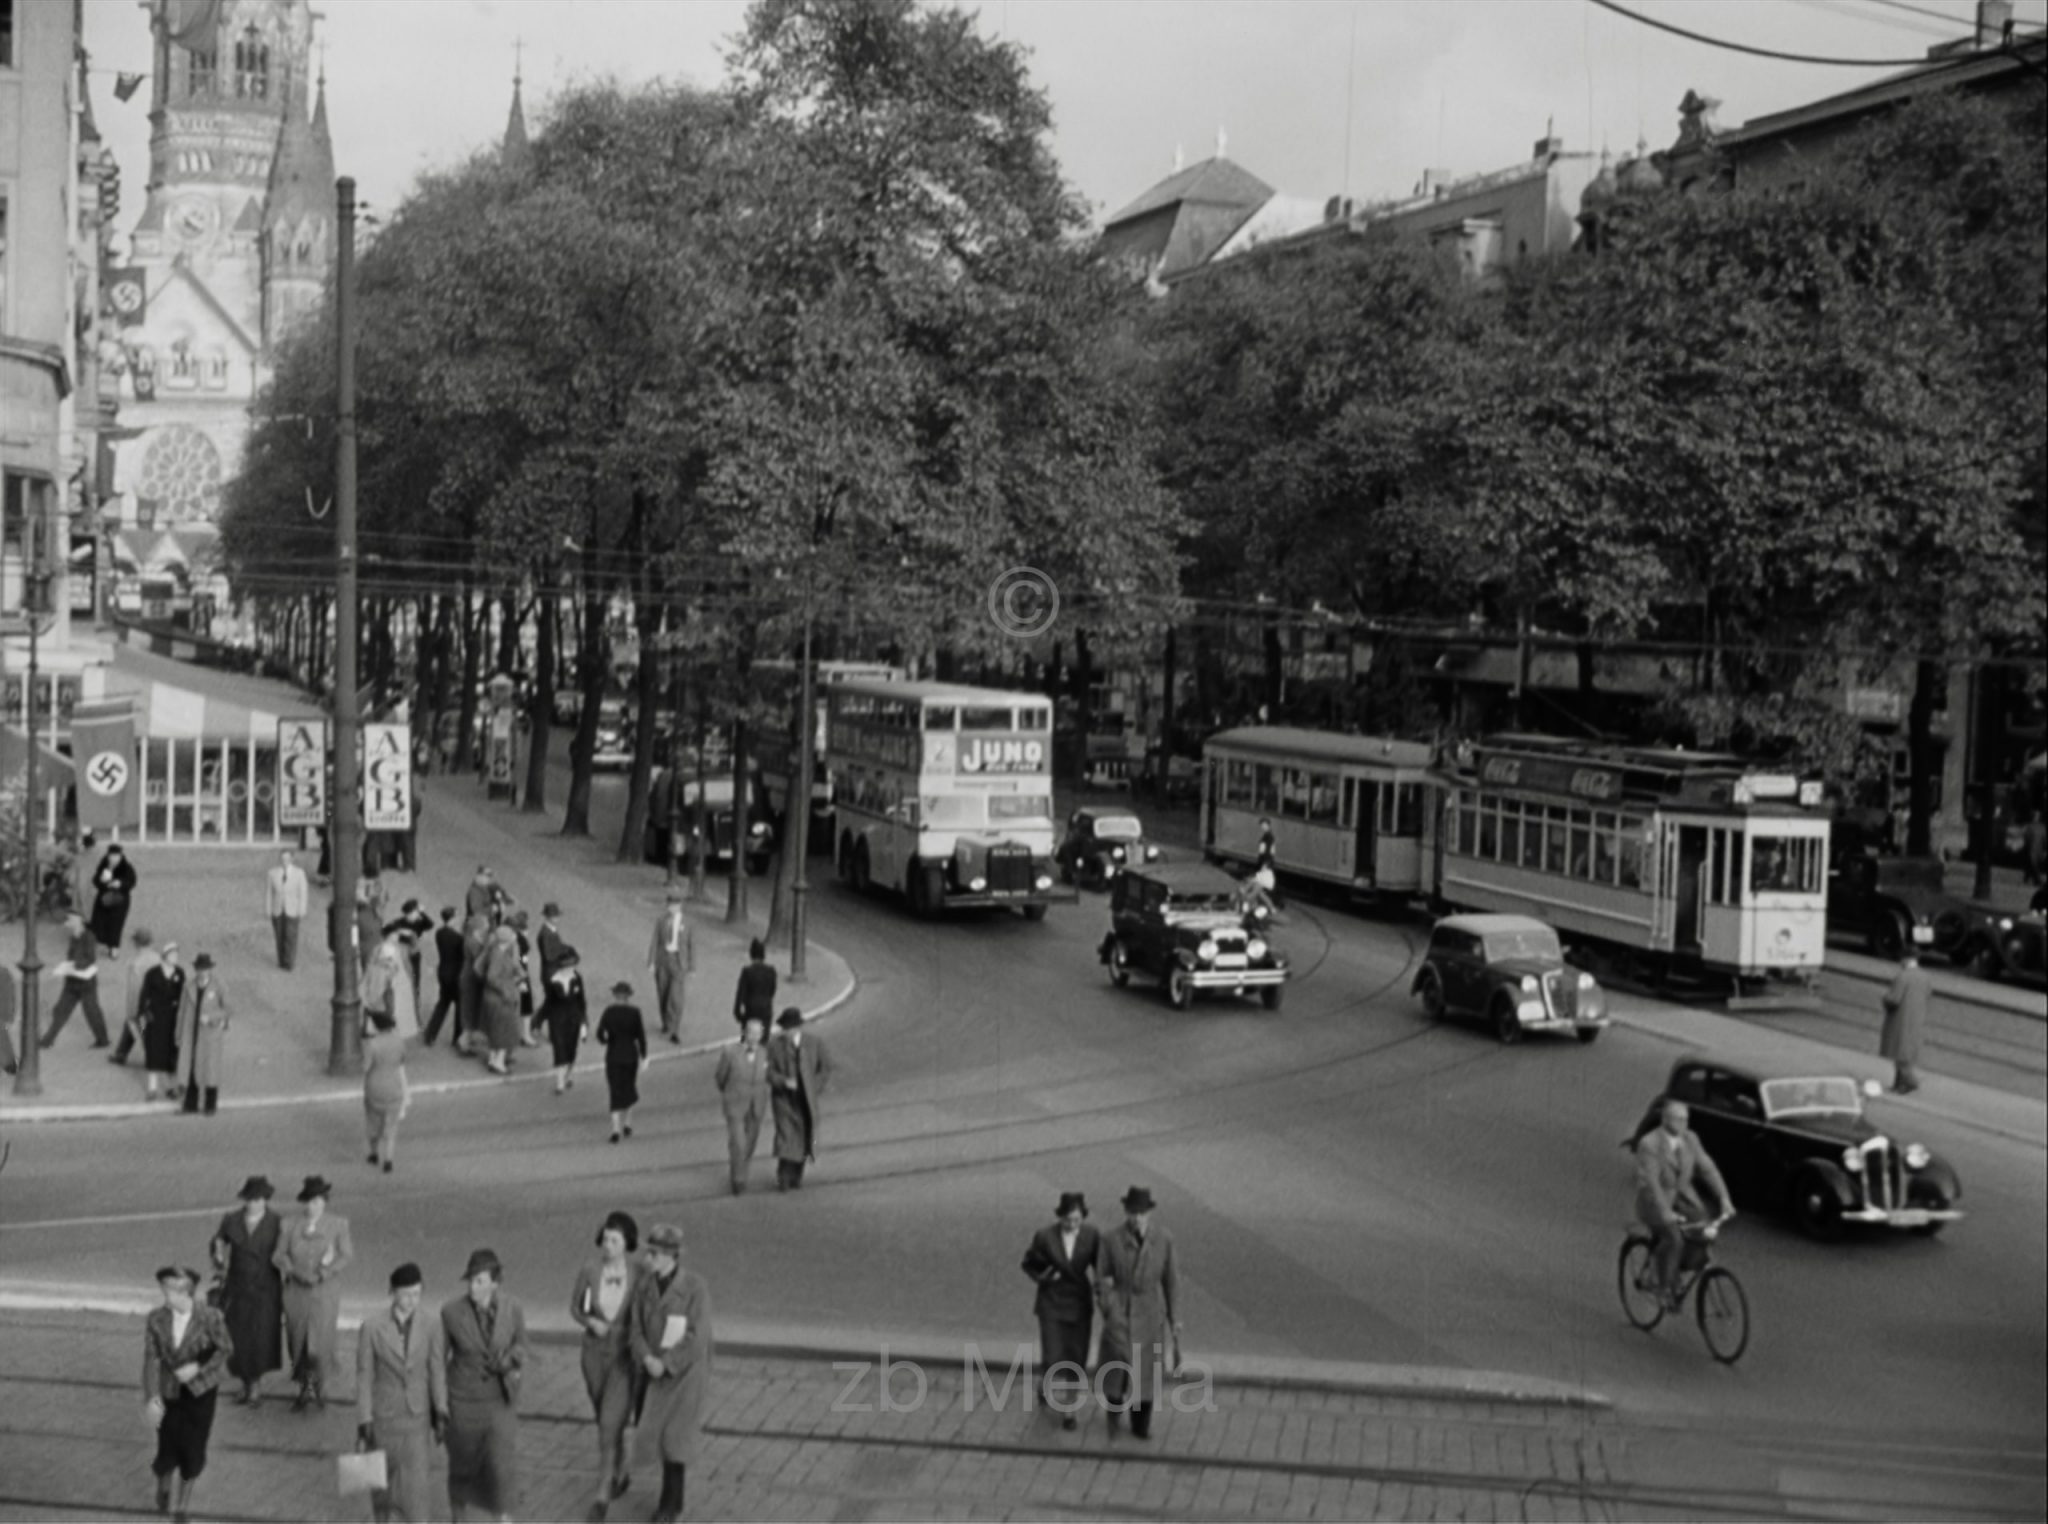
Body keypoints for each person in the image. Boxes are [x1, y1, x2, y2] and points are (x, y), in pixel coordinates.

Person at [627, 1223, 713, 1524]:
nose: (648, 1259)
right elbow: (634, 1328)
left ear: (671, 1257)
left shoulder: (694, 1288)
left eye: (654, 1253)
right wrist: (647, 1357)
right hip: (652, 1373)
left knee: (675, 1439)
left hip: (684, 1377)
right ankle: (667, 1498)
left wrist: (668, 1362)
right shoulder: (644, 1286)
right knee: (655, 1433)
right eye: (649, 1252)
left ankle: (671, 1503)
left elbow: (697, 1336)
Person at [438, 1247, 529, 1523]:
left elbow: (523, 1346)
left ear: (494, 1283)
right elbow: (438, 1360)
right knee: (462, 1465)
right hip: (464, 1401)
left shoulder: (512, 1308)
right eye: (471, 1281)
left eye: (479, 1281)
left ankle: (503, 1517)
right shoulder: (452, 1312)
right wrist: (439, 1405)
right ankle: (458, 1517)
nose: (473, 1287)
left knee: (502, 1464)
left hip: (499, 1399)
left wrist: (511, 1359)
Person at [143, 1264, 233, 1524]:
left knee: (193, 1450)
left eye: (170, 1291)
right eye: (165, 1290)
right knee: (167, 1445)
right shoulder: (156, 1318)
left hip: (200, 1394)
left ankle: (182, 1506)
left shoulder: (210, 1317)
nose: (165, 1296)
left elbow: (225, 1348)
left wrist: (199, 1366)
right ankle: (163, 1484)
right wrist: (152, 1397)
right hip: (170, 1392)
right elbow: (151, 1359)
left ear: (187, 1293)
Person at [569, 1212, 644, 1522]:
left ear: (627, 1243)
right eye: (607, 1239)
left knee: (608, 1424)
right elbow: (574, 1307)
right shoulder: (590, 1269)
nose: (609, 1246)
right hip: (593, 1354)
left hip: (623, 1356)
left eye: (616, 1240)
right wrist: (590, 1322)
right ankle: (621, 1466)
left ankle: (602, 1493)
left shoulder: (638, 1272)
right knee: (604, 1417)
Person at [356, 1262, 443, 1524]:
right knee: (382, 1490)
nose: (412, 1300)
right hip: (383, 1419)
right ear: (392, 1293)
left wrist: (441, 1409)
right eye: (406, 1295)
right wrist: (364, 1420)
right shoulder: (372, 1327)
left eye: (417, 1294)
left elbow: (436, 1369)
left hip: (417, 1419)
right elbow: (364, 1375)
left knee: (416, 1492)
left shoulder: (431, 1324)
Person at [1634, 1098, 1733, 1312]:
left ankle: (1677, 1268)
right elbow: (1652, 1182)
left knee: (1701, 1226)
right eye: (1678, 1119)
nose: (1683, 1124)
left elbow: (1708, 1169)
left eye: (1685, 1119)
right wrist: (1665, 1212)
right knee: (1674, 1238)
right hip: (1653, 1200)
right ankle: (1662, 1287)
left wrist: (1724, 1198)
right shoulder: (1649, 1144)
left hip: (1681, 1196)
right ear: (1665, 1120)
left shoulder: (1691, 1139)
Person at [275, 1175, 354, 1412]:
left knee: (319, 1345)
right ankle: (305, 1389)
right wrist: (293, 1271)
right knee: (298, 1341)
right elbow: (278, 1254)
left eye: (318, 1201)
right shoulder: (289, 1225)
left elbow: (346, 1255)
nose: (313, 1206)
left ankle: (317, 1386)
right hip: (296, 1292)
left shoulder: (338, 1224)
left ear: (325, 1202)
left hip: (324, 1291)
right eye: (309, 1201)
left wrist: (324, 1273)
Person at [1021, 1192, 1099, 1430]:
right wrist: (1044, 1276)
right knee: (1053, 1354)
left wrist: (1103, 1289)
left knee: (1076, 1356)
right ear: (1060, 1217)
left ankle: (1070, 1410)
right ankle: (1045, 1383)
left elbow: (1100, 1266)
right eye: (1068, 1220)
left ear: (1082, 1217)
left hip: (1078, 1304)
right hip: (1052, 1302)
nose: (1072, 1224)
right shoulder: (1045, 1236)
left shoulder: (1091, 1235)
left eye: (1076, 1220)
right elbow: (1028, 1263)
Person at [209, 1176, 284, 1406]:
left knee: (261, 1338)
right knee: (238, 1338)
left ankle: (255, 1385)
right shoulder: (231, 1220)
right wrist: (218, 1255)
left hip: (266, 1288)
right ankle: (246, 1382)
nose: (254, 1203)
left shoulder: (277, 1222)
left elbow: (286, 1253)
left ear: (266, 1199)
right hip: (238, 1287)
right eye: (251, 1199)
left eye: (259, 1199)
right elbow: (217, 1243)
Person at [766, 1007, 832, 1190]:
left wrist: (814, 1086)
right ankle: (783, 1177)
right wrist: (783, 1082)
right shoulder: (774, 1045)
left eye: (788, 1029)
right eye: (784, 1029)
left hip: (806, 1100)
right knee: (786, 1137)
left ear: (797, 1028)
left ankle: (796, 1176)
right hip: (783, 1100)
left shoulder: (814, 1043)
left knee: (804, 1138)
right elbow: (768, 1072)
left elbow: (825, 1068)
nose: (785, 1032)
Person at [714, 1018, 772, 1195]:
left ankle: (742, 1171)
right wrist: (731, 1093)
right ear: (743, 1033)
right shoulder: (730, 1052)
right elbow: (720, 1078)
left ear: (762, 1035)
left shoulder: (765, 1053)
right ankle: (738, 1179)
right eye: (750, 1033)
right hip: (735, 1103)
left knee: (750, 1142)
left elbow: (769, 1076)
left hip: (757, 1104)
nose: (753, 1037)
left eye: (757, 1033)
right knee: (738, 1142)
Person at [41, 911, 111, 1050]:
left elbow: (90, 958)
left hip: (86, 982)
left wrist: (74, 965)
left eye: (71, 919)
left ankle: (102, 1039)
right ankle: (48, 1040)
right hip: (72, 980)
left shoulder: (88, 937)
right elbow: (72, 956)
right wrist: (67, 967)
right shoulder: (74, 937)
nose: (68, 922)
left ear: (79, 921)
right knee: (61, 1010)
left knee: (92, 1011)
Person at [176, 953, 230, 1115]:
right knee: (192, 1069)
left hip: (209, 1035)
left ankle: (210, 1105)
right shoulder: (189, 986)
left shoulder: (219, 986)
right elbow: (182, 1011)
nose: (203, 972)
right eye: (200, 969)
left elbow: (228, 1009)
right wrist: (178, 1034)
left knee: (209, 1070)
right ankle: (190, 1104)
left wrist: (212, 1017)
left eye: (205, 969)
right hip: (191, 1032)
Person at [596, 980, 648, 1144]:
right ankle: (628, 1123)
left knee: (615, 1090)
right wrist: (644, 1056)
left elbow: (600, 1034)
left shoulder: (608, 1012)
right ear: (628, 997)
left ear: (615, 996)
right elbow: (641, 1036)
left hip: (613, 1055)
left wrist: (607, 1041)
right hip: (630, 1055)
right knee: (629, 1087)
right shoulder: (635, 1012)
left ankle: (615, 1129)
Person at [140, 941, 188, 1102]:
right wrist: (144, 1014)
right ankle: (152, 1088)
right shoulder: (153, 974)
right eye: (172, 955)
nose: (175, 958)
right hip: (156, 1018)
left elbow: (184, 994)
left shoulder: (180, 973)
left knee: (170, 1052)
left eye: (176, 955)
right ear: (164, 956)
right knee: (154, 1052)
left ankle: (170, 1087)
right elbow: (144, 995)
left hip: (173, 1018)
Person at [364, 1007, 411, 1172]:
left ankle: (373, 1153)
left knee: (373, 1122)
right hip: (394, 1087)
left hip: (374, 1088)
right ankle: (388, 1160)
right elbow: (403, 1060)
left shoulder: (372, 1044)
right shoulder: (399, 1042)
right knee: (391, 1126)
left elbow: (366, 1066)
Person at [108, 926, 161, 1067]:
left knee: (142, 1030)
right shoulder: (158, 959)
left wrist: (132, 1010)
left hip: (141, 1005)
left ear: (136, 943)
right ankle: (121, 1053)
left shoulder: (136, 963)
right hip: (156, 1003)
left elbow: (134, 990)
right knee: (132, 1027)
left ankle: (158, 1060)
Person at [648, 887, 695, 1044]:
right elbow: (655, 941)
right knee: (663, 993)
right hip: (663, 960)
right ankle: (666, 1023)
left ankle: (675, 1029)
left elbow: (691, 945)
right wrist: (652, 962)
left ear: (680, 905)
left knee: (675, 997)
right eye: (669, 905)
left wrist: (692, 966)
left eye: (674, 905)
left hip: (678, 961)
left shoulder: (687, 923)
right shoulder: (661, 920)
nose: (671, 908)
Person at [478, 923, 525, 1075]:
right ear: (506, 939)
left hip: (492, 997)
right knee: (506, 1031)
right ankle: (499, 1063)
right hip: (500, 999)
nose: (514, 936)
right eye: (511, 934)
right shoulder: (498, 955)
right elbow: (491, 977)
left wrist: (519, 973)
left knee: (495, 1030)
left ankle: (493, 1058)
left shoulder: (497, 950)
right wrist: (506, 990)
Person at [1881, 952, 1932, 1095]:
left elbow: (1894, 999)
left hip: (1900, 1020)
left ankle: (1910, 1082)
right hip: (1916, 1019)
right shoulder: (1925, 977)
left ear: (1905, 959)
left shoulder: (1902, 976)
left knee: (1900, 1054)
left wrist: (1885, 998)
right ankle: (1898, 1084)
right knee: (1906, 1053)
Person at [542, 948, 590, 1095]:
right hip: (557, 1021)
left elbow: (581, 1001)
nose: (572, 969)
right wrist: (538, 1021)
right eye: (569, 967)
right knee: (559, 1051)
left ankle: (568, 1075)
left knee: (571, 1051)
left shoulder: (577, 978)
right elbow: (548, 1003)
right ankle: (560, 1083)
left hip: (573, 1019)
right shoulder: (552, 982)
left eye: (573, 966)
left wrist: (584, 1021)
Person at [363, 928, 421, 1047]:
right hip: (389, 984)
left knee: (390, 1010)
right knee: (389, 1010)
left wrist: (412, 935)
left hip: (392, 984)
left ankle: (385, 1035)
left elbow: (414, 950)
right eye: (393, 935)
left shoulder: (393, 948)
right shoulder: (387, 949)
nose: (396, 937)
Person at [425, 907, 466, 1047]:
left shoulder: (440, 933)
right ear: (453, 918)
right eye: (457, 916)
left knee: (443, 1003)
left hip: (443, 971)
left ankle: (430, 1034)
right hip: (456, 974)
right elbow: (463, 954)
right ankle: (457, 1037)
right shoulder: (458, 938)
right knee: (460, 1006)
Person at [88, 841, 138, 952]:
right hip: (103, 898)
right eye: (111, 856)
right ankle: (98, 941)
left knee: (116, 924)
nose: (113, 859)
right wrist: (101, 881)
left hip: (120, 899)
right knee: (99, 922)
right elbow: (95, 880)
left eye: (116, 857)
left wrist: (120, 884)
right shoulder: (103, 865)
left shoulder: (126, 867)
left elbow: (132, 881)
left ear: (120, 856)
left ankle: (114, 947)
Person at [266, 847, 310, 971]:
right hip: (278, 908)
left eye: (287, 858)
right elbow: (269, 893)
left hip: (293, 909)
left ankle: (289, 962)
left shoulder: (299, 873)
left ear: (292, 859)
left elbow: (303, 892)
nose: (284, 860)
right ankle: (281, 960)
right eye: (282, 858)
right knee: (279, 935)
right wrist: (268, 909)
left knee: (291, 936)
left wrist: (302, 909)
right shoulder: (272, 873)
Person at [458, 911, 493, 1056]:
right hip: (470, 981)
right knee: (469, 1011)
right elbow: (479, 960)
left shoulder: (472, 938)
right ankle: (464, 1043)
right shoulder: (472, 942)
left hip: (471, 979)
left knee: (471, 1010)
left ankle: (468, 1039)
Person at [732, 938, 776, 1035]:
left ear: (751, 954)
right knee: (764, 1038)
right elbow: (772, 990)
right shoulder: (771, 971)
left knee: (749, 1038)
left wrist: (737, 1013)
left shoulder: (747, 971)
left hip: (751, 1010)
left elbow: (741, 993)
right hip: (766, 1008)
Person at [511, 910, 539, 1047]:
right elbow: (520, 962)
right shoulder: (521, 942)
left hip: (515, 975)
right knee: (526, 1007)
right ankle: (525, 1035)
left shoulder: (512, 938)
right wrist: (521, 980)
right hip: (520, 976)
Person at [537, 903, 569, 982]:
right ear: (548, 917)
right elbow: (548, 956)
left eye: (557, 915)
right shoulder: (545, 933)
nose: (558, 917)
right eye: (555, 915)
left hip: (555, 971)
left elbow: (557, 945)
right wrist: (563, 951)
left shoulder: (552, 930)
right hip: (550, 973)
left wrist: (567, 949)